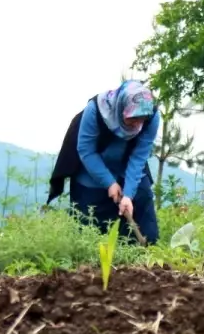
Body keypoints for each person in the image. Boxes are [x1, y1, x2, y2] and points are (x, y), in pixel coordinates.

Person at [46, 79, 161, 243]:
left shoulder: (152, 117)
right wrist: (109, 183)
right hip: (92, 167)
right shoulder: (96, 111)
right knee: (90, 227)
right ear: (122, 109)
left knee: (142, 206)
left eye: (142, 119)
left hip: (127, 167)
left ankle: (146, 258)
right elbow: (86, 151)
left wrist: (128, 194)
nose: (137, 125)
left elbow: (139, 157)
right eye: (133, 118)